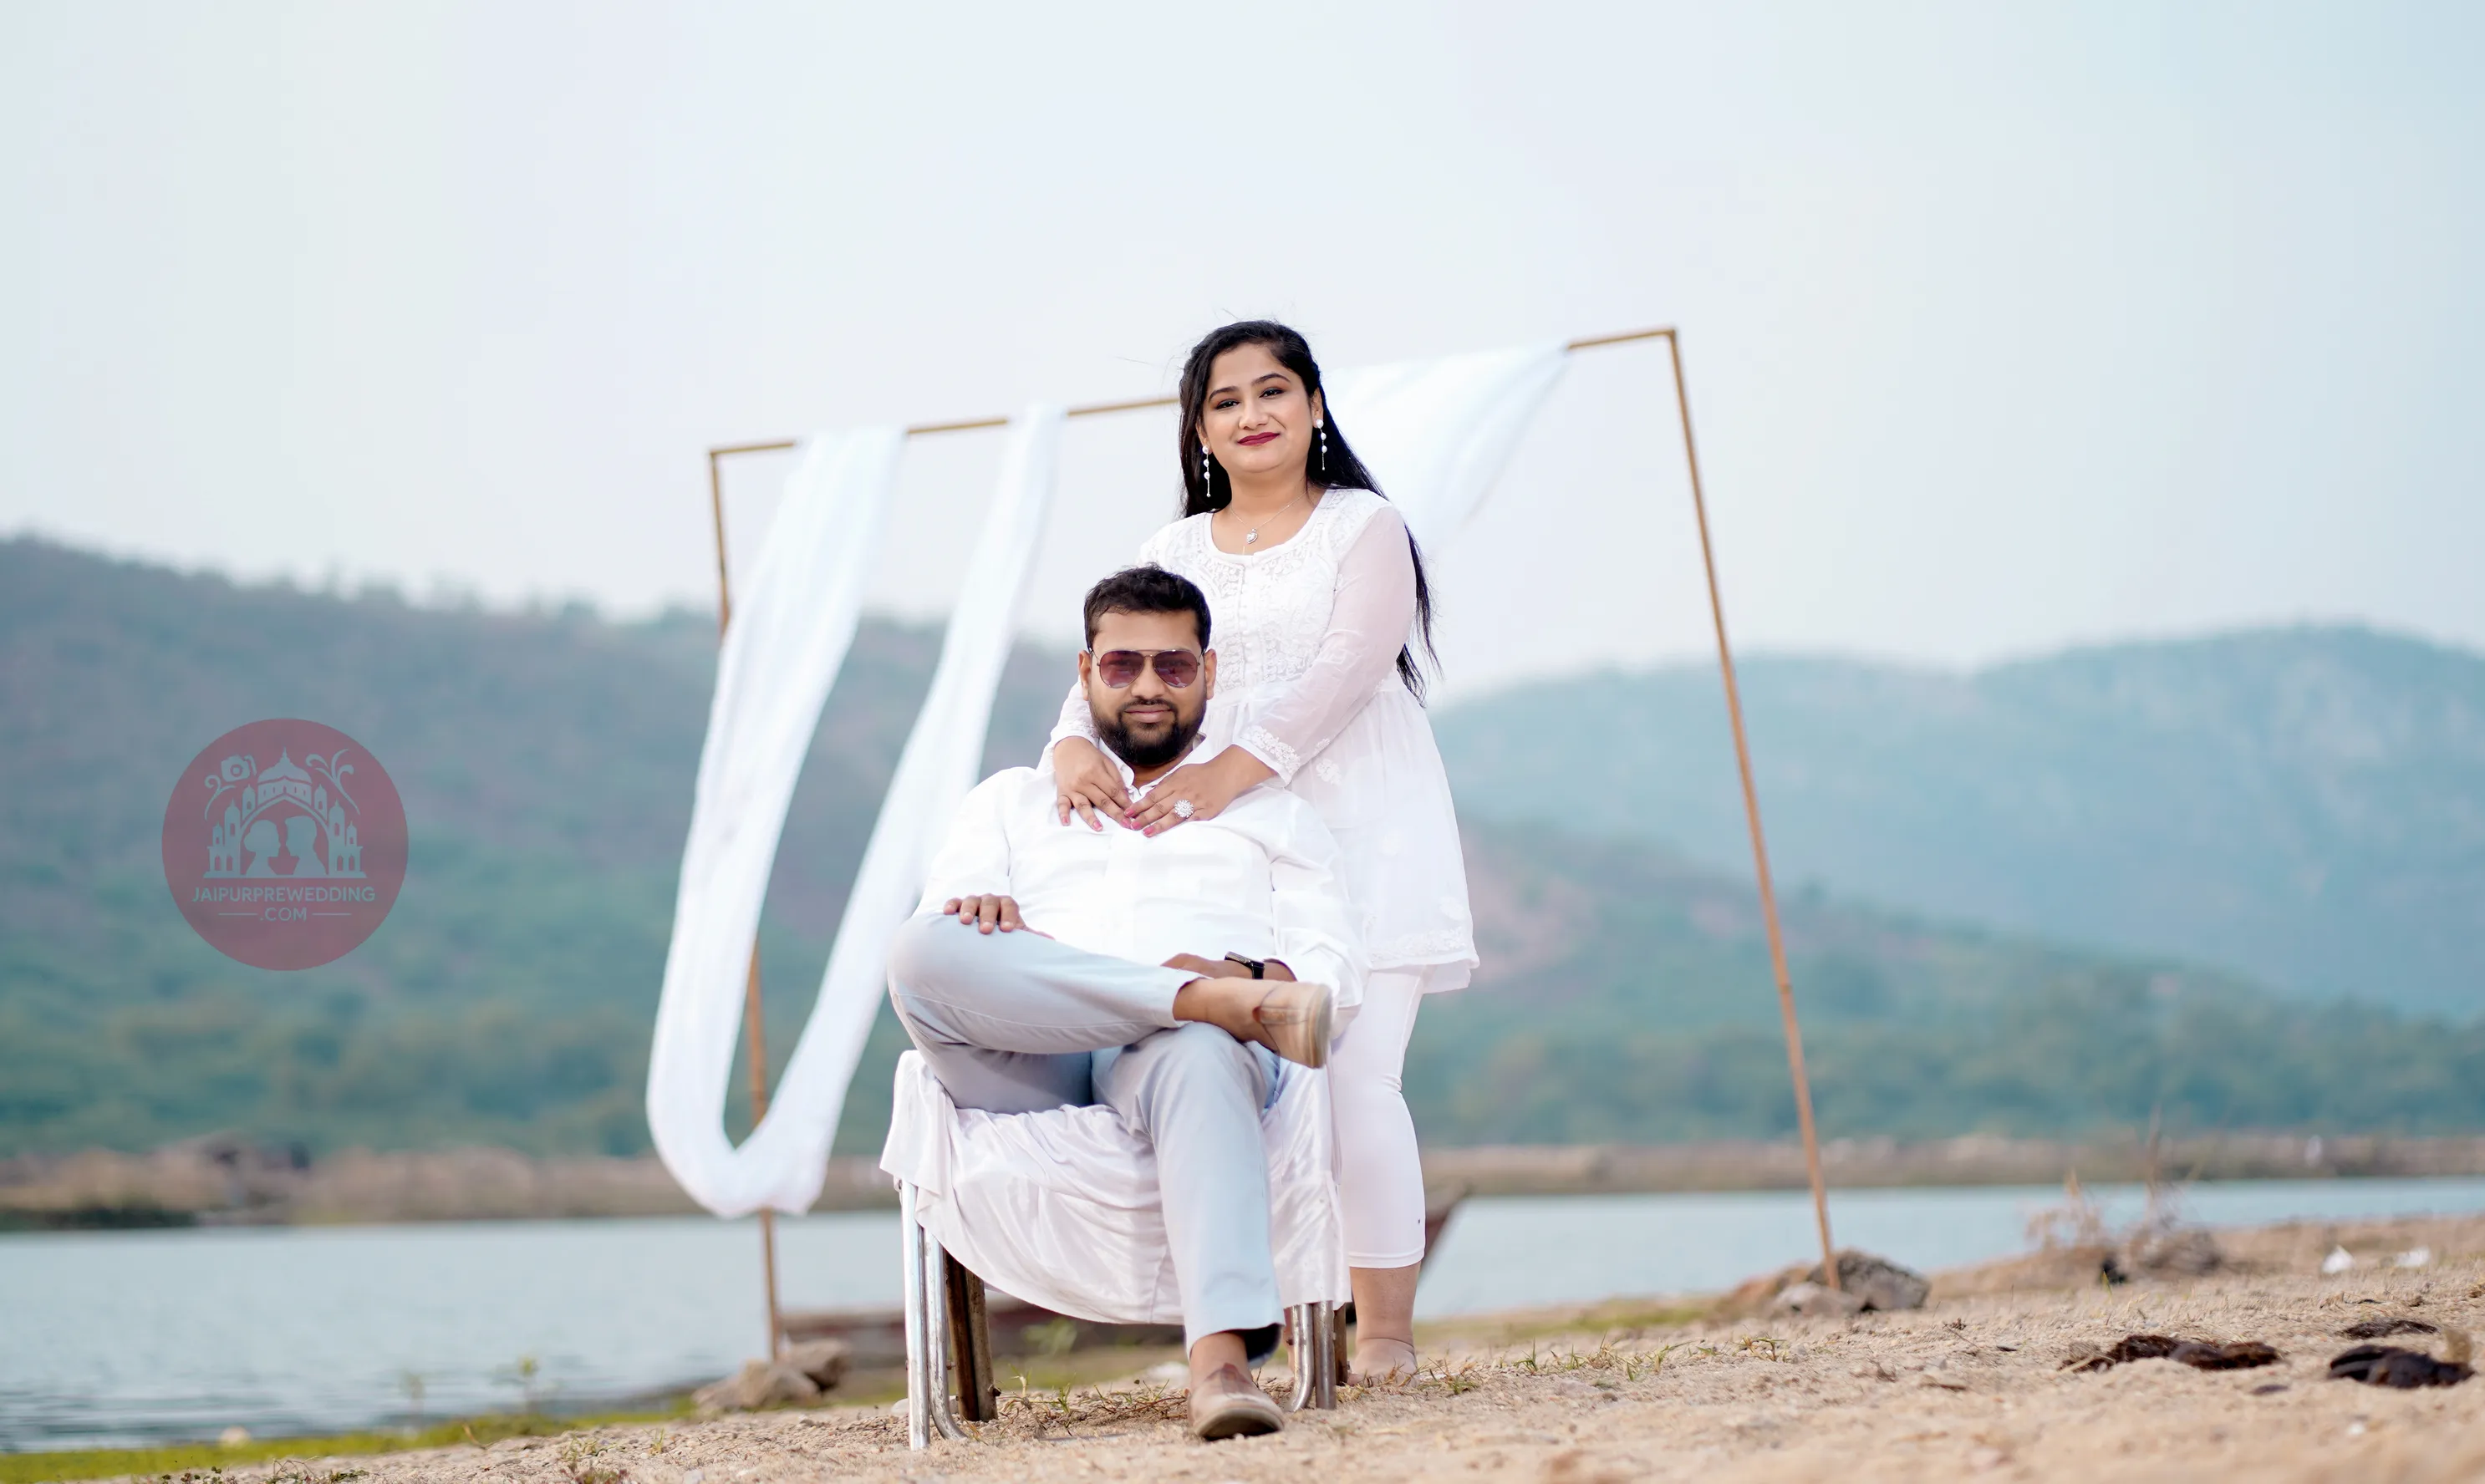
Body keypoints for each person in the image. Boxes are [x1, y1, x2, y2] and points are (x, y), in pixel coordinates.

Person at [1046, 320, 1471, 1381]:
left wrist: (1229, 771)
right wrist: (1065, 743)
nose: (1254, 414)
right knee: (1253, 1087)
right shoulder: (1178, 548)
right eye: (1226, 401)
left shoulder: (1364, 526)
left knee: (1356, 1080)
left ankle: (1385, 1338)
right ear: (1200, 430)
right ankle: (1262, 1330)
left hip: (1364, 827)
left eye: (1274, 391)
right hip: (1232, 856)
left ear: (1316, 407)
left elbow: (1345, 667)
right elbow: (1122, 655)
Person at [887, 565, 1366, 1441]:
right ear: (1086, 673)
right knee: (918, 951)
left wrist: (1248, 974)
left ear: (1209, 674)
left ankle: (1219, 1369)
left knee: (1197, 1048)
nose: (1148, 685)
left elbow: (1331, 973)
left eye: (1173, 667)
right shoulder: (1011, 801)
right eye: (1123, 666)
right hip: (1033, 1055)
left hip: (1173, 1065)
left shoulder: (1273, 816)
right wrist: (989, 913)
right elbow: (951, 920)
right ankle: (1193, 999)